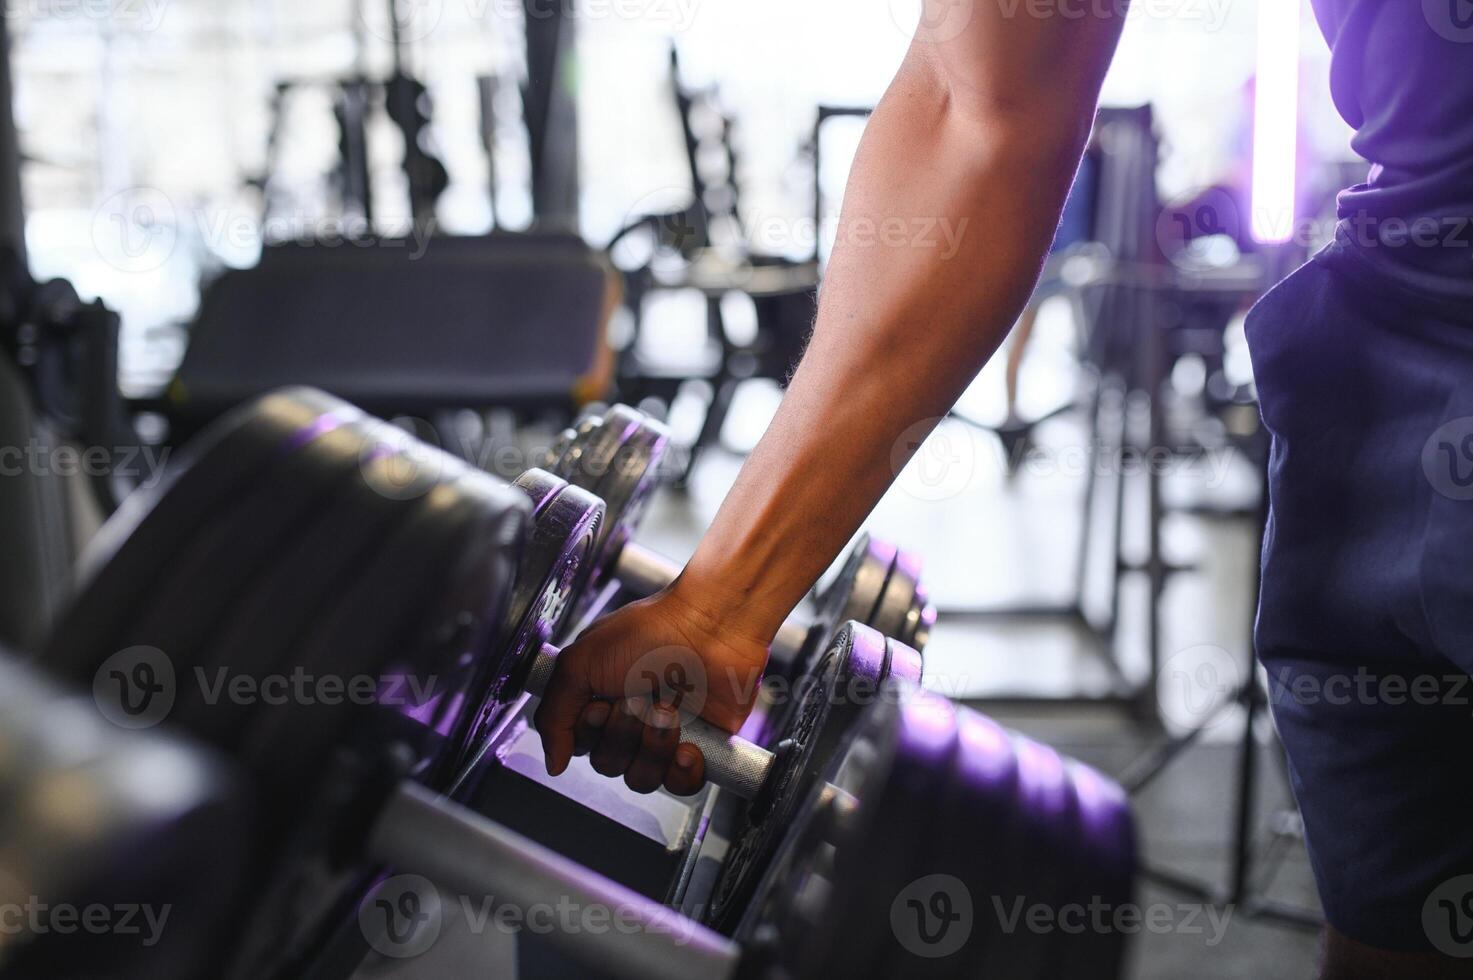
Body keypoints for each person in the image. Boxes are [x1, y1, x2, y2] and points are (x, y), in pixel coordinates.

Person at [536, 2, 1473, 975]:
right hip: (1379, 410)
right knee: (1401, 932)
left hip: (1386, 398)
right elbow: (976, 102)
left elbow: (977, 108)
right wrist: (721, 606)